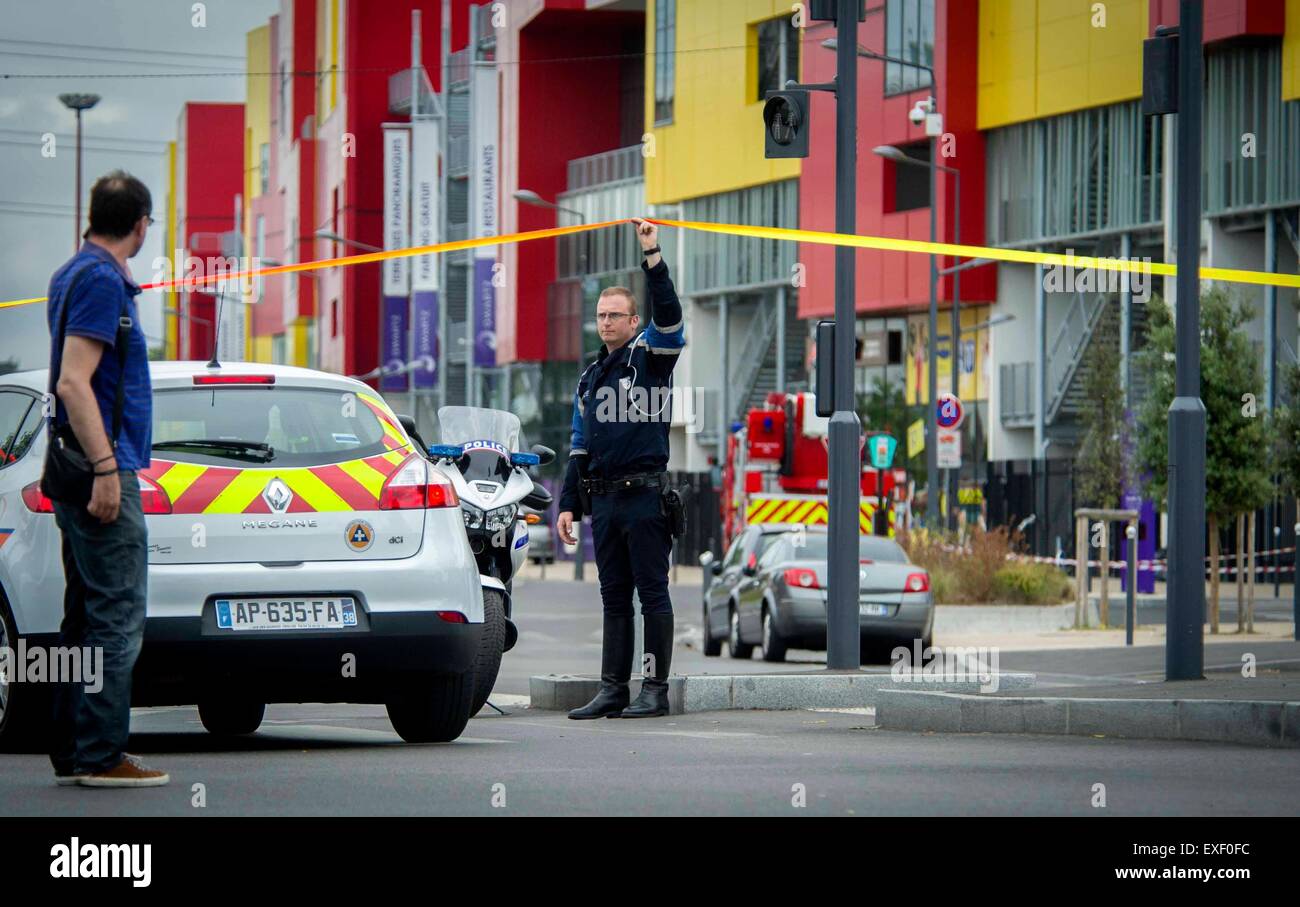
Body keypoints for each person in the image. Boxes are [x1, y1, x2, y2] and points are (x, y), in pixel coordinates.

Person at [46, 170, 168, 787]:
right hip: (99, 465)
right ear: (141, 224)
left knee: (83, 618)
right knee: (118, 617)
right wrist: (105, 469)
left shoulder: (73, 271)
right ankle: (100, 755)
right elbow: (74, 380)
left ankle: (72, 748)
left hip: (71, 464)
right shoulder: (99, 280)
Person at [557, 218, 685, 719]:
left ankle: (654, 690)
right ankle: (613, 688)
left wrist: (652, 256)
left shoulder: (651, 358)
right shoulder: (591, 376)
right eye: (601, 315)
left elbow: (670, 316)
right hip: (604, 500)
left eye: (616, 315)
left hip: (644, 498)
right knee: (613, 598)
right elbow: (578, 444)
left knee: (653, 595)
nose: (606, 322)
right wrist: (568, 502)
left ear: (635, 323)